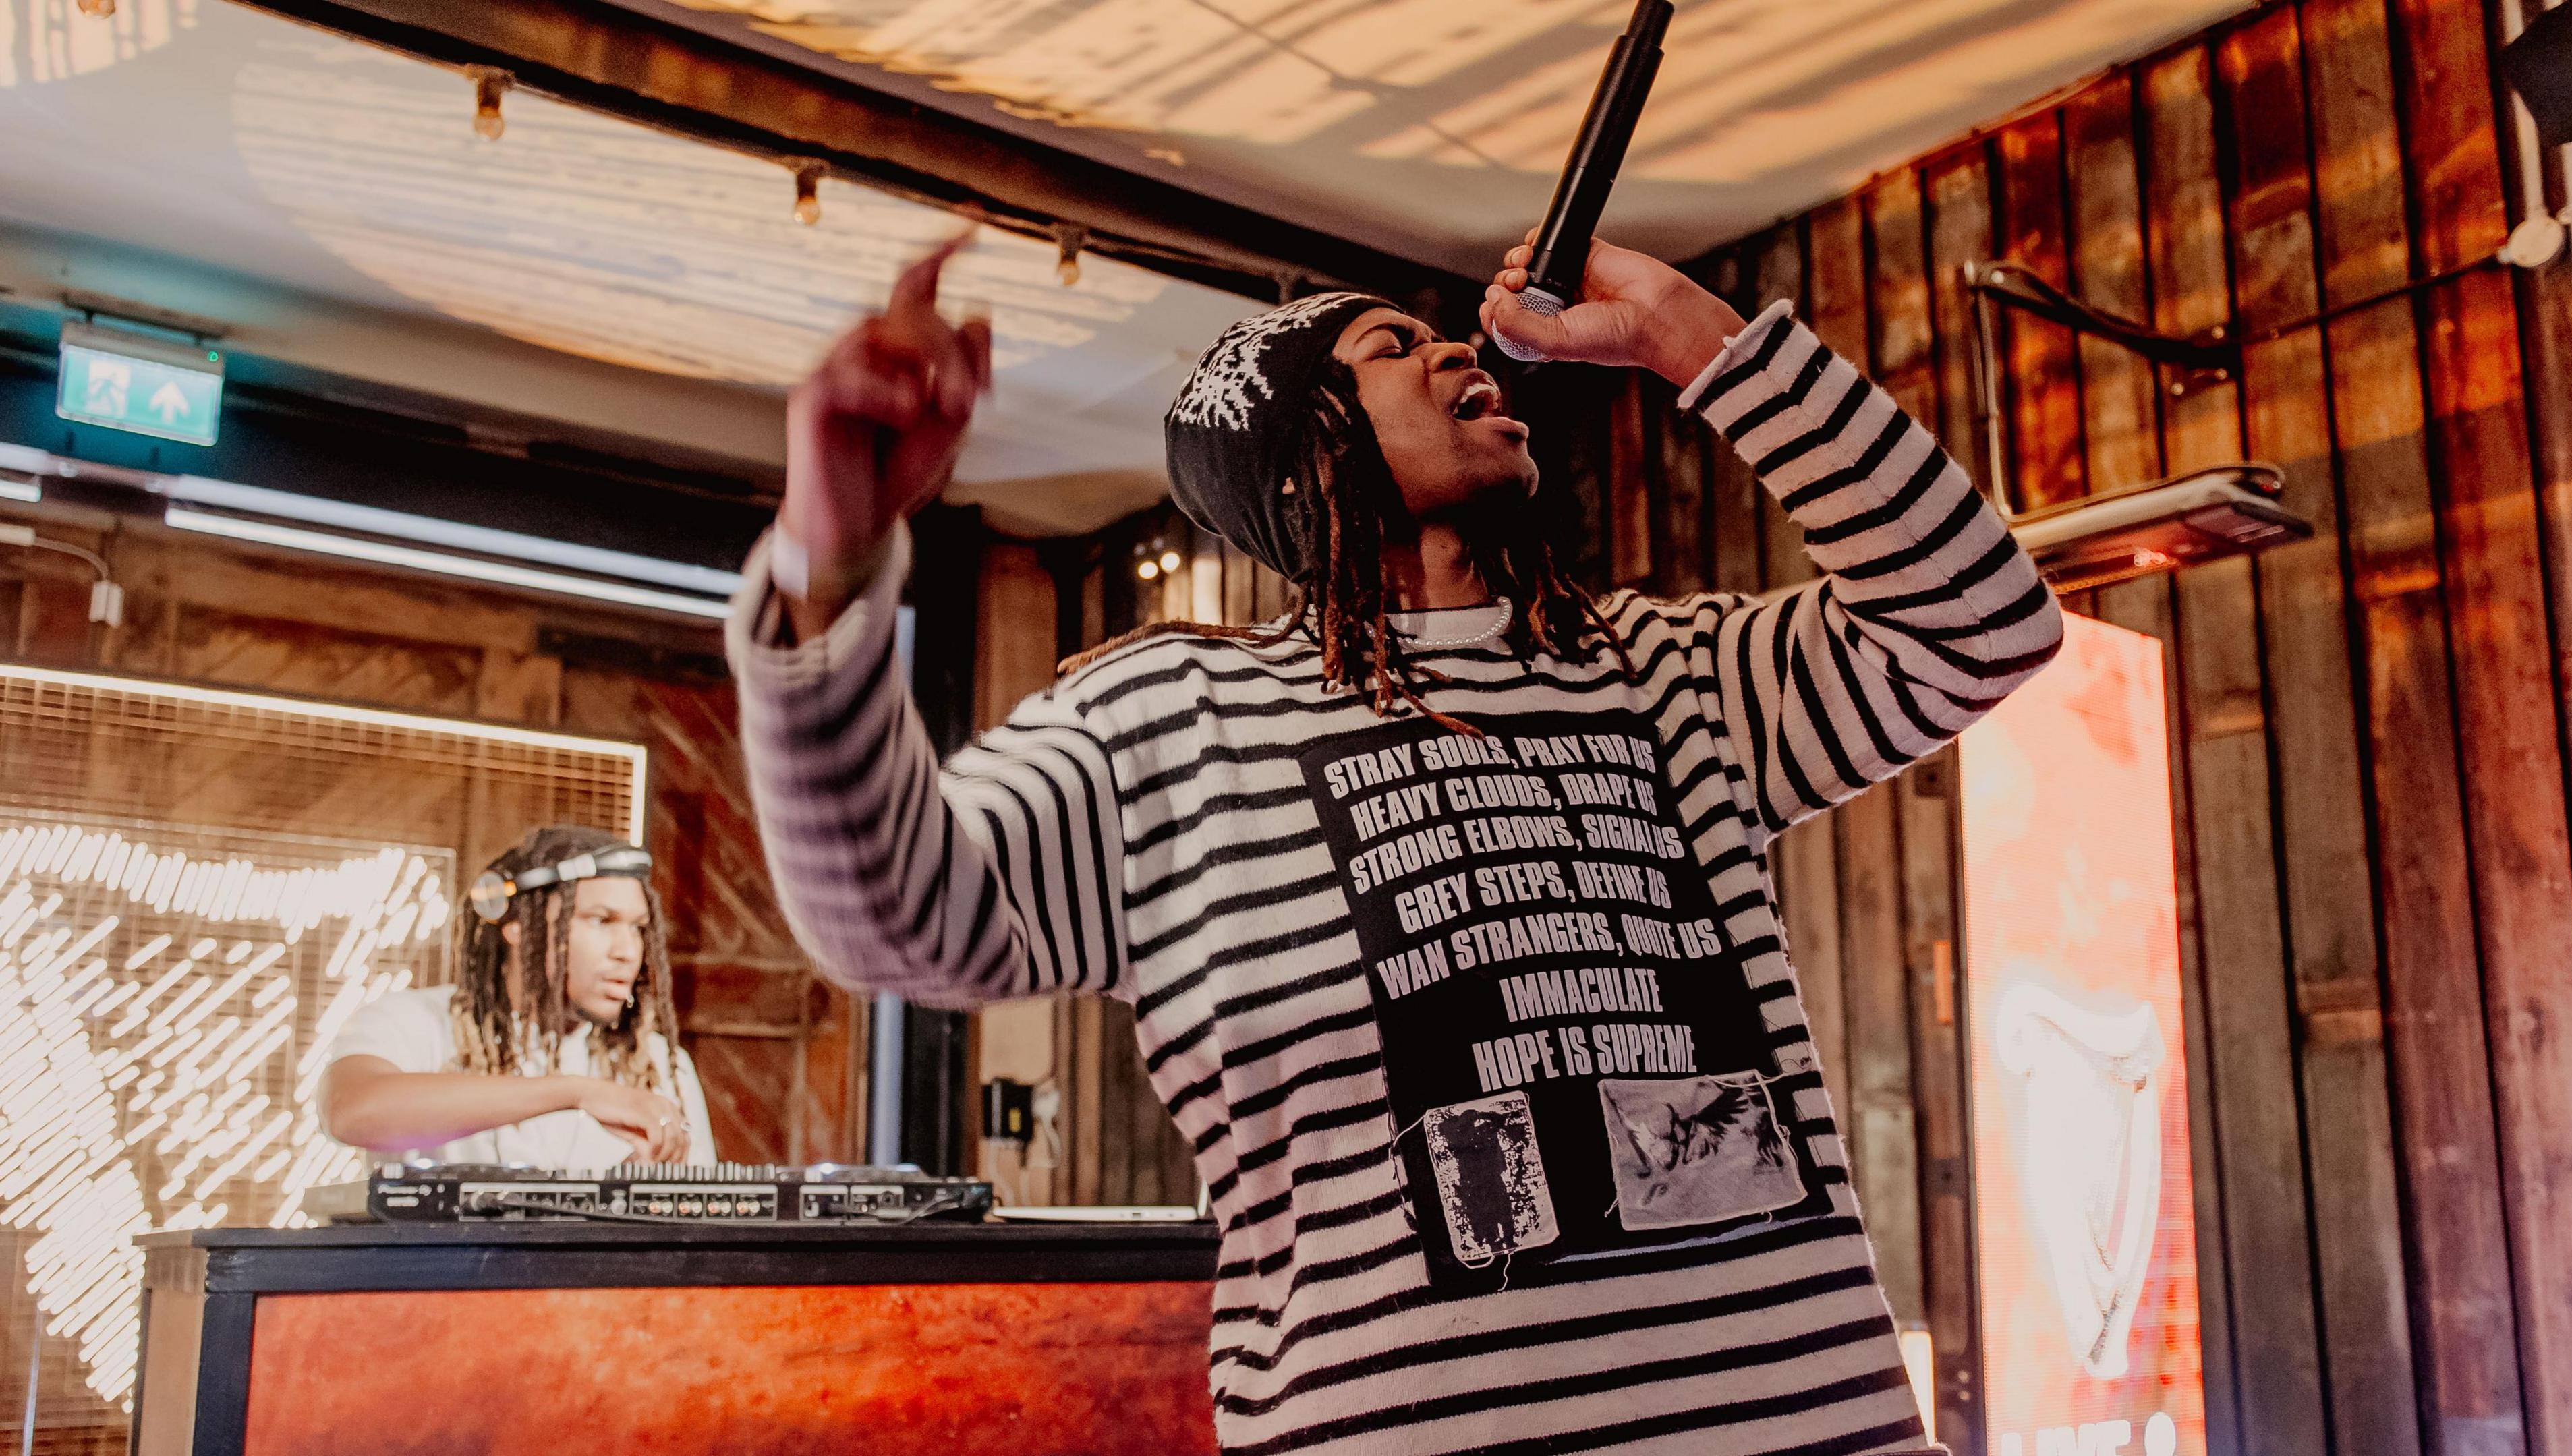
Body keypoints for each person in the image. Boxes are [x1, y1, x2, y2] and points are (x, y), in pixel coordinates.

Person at [728, 232, 2062, 1455]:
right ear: (1302, 448)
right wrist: (828, 572)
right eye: (1388, 347)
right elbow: (892, 916)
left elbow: (1979, 624)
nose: (1454, 349)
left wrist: (1688, 333)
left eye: (1443, 337)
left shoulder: (1668, 673)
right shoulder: (1171, 718)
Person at [322, 825, 714, 1169]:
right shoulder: (414, 1021)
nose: (628, 951)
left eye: (638, 928)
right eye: (601, 920)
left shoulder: (660, 1063)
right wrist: (576, 1093)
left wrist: (625, 1193)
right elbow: (351, 1112)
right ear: (521, 926)